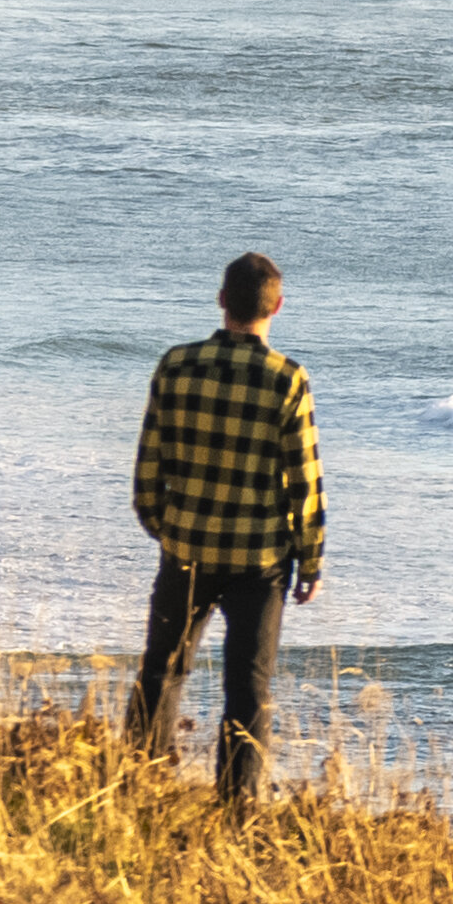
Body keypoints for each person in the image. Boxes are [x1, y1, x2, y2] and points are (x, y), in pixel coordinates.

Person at [125, 247, 328, 806]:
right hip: (258, 563)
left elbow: (148, 470)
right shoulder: (287, 380)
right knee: (247, 688)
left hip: (185, 547)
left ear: (221, 301)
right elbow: (303, 484)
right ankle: (237, 810)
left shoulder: (175, 365)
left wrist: (167, 529)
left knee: (161, 671)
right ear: (278, 306)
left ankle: (137, 789)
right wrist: (309, 560)